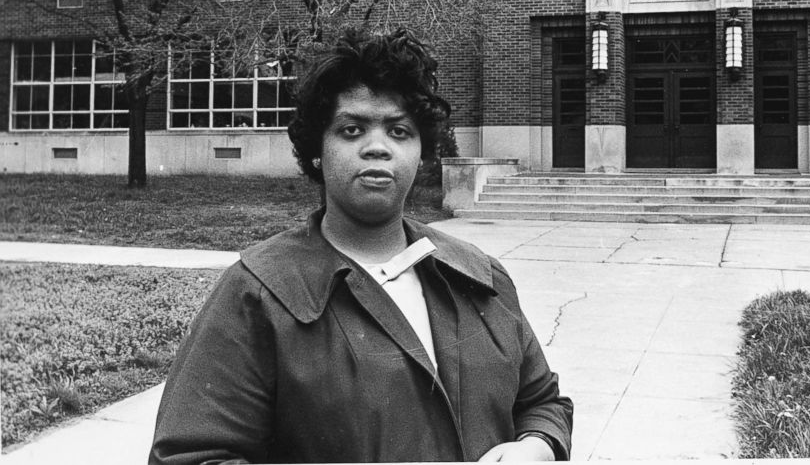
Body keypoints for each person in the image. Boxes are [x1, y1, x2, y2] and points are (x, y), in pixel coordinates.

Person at [149, 27, 573, 464]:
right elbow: (191, 455)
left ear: (421, 150)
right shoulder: (258, 295)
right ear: (317, 149)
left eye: (399, 130)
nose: (377, 147)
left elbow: (543, 403)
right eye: (352, 130)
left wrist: (536, 447)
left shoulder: (481, 278)